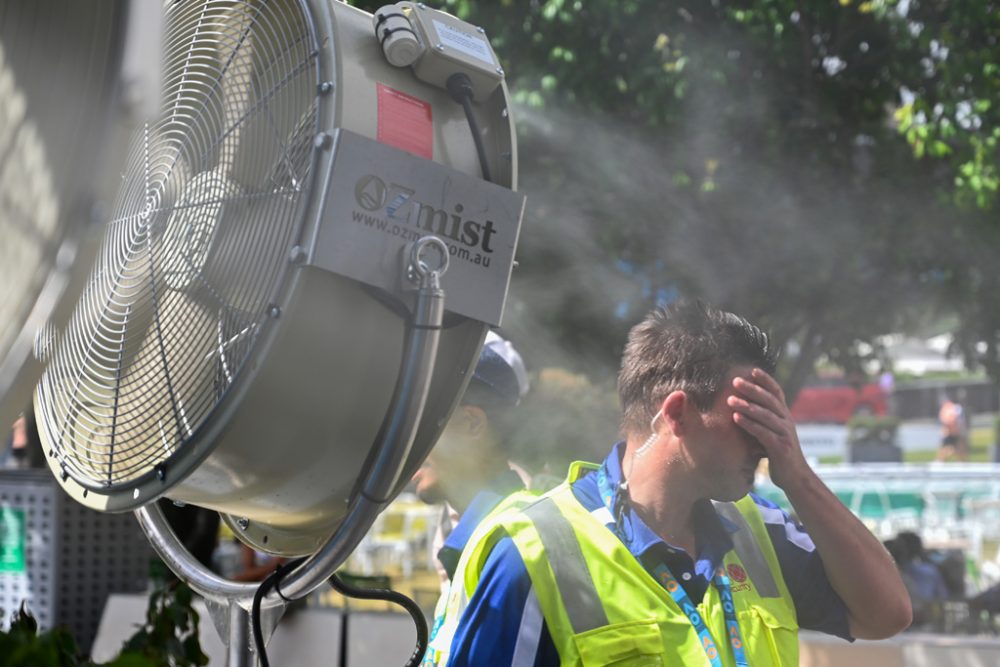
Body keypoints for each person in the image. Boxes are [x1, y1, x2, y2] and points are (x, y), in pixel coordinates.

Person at [444, 299, 912, 666]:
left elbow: (887, 614)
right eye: (750, 421)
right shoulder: (536, 552)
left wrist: (801, 480)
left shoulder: (760, 533)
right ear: (677, 414)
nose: (768, 445)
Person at [411, 331, 532, 666]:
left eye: (418, 423)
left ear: (471, 423)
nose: (404, 444)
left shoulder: (510, 548)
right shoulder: (474, 538)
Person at [936, 390, 969, 461]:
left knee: (946, 451)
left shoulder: (945, 408)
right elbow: (961, 421)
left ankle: (941, 461)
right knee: (958, 451)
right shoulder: (956, 408)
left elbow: (943, 421)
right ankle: (962, 462)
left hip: (947, 433)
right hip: (955, 432)